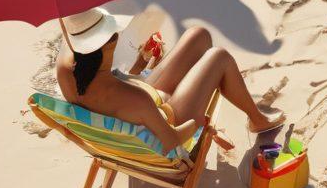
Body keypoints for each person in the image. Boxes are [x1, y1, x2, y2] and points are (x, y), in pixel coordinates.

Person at [56, 8, 284, 153]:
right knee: (218, 57)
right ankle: (257, 120)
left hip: (140, 110)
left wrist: (141, 65)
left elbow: (115, 94)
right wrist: (203, 125)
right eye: (115, 35)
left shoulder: (65, 71)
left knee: (198, 35)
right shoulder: (134, 99)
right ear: (107, 45)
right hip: (169, 122)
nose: (118, 37)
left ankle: (211, 89)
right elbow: (172, 140)